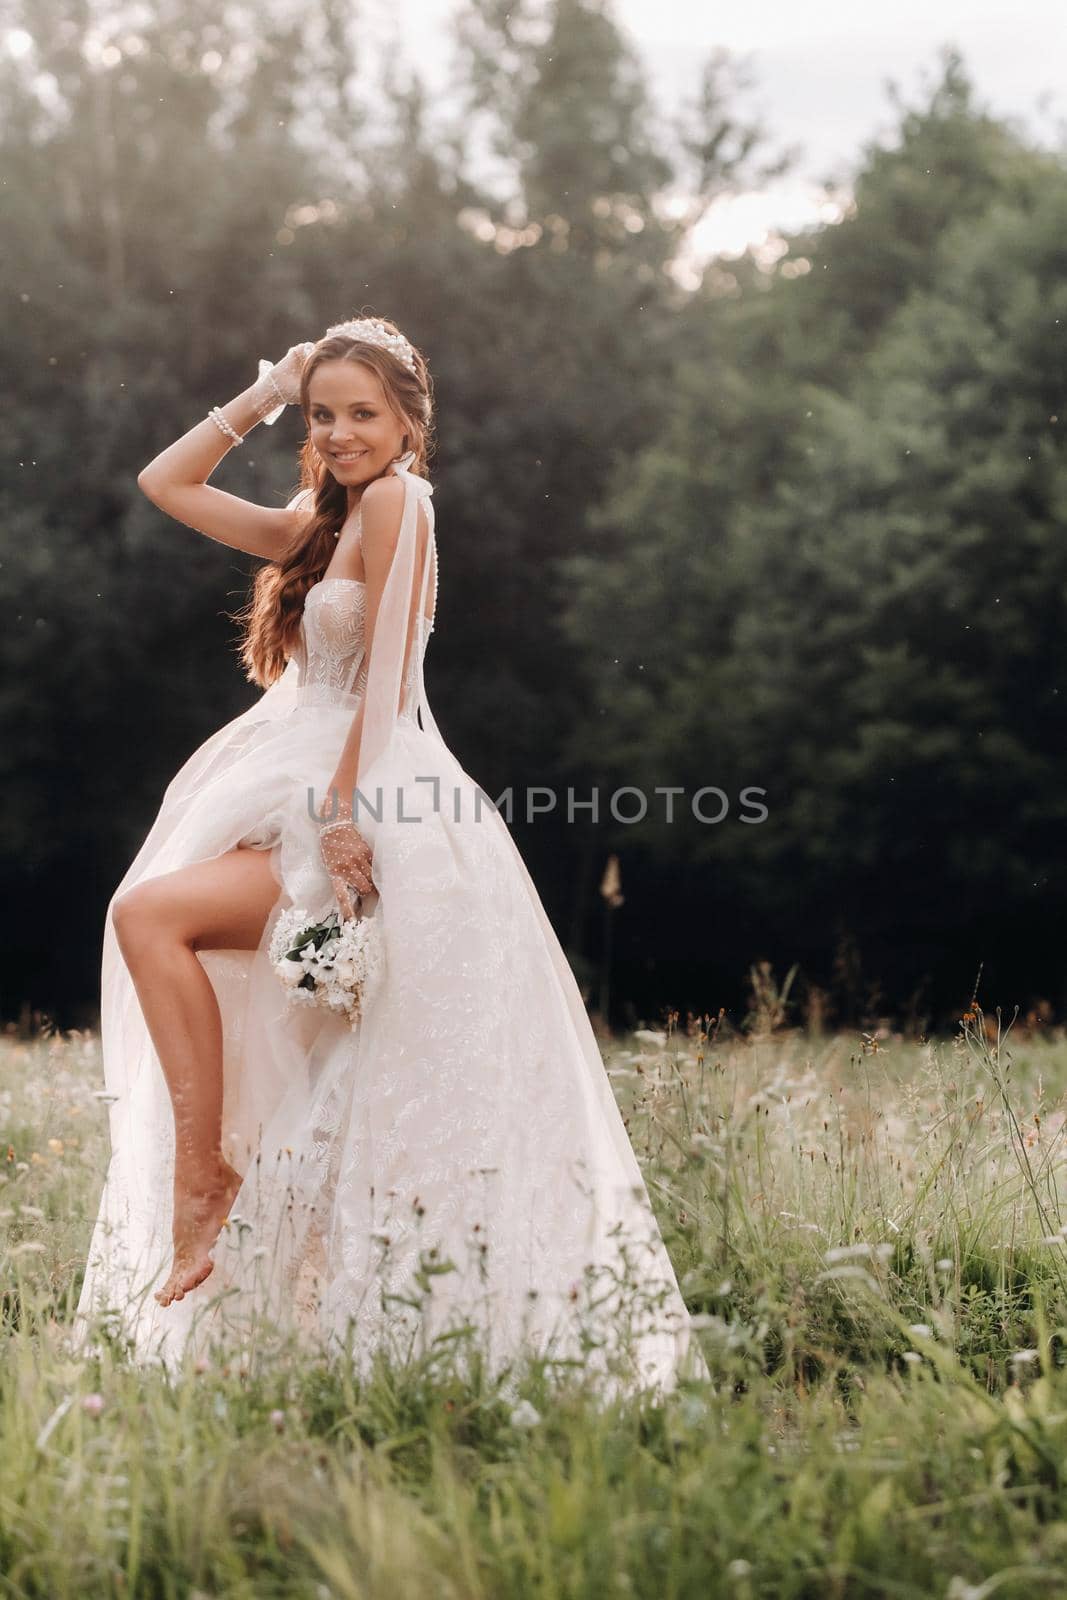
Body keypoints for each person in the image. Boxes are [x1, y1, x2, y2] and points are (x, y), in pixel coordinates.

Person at [71, 316, 710, 1399]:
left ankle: (210, 1183)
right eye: (325, 416)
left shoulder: (401, 502)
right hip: (300, 773)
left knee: (167, 927)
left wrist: (342, 813)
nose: (340, 432)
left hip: (360, 792)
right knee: (182, 945)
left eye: (362, 413)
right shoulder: (324, 525)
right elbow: (164, 483)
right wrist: (264, 392)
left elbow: (391, 683)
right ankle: (212, 1182)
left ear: (409, 420)